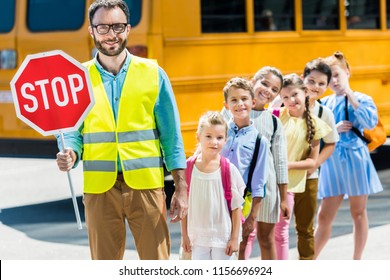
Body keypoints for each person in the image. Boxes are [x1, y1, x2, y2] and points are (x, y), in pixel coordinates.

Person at [55, 0, 188, 260]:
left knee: (156, 264)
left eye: (117, 26)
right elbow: (72, 129)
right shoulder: (78, 76)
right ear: (91, 31)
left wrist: (182, 189)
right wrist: (69, 151)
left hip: (146, 186)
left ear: (128, 29)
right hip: (100, 188)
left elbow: (172, 137)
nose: (111, 35)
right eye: (102, 27)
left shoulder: (153, 74)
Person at [314, 51, 383, 259]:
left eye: (337, 75)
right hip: (332, 160)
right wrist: (334, 128)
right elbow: (315, 132)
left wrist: (350, 96)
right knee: (324, 215)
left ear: (347, 72)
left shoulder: (363, 99)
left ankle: (356, 260)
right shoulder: (324, 104)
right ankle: (308, 259)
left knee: (358, 212)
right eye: (329, 77)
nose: (334, 81)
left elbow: (370, 122)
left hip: (356, 158)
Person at [221, 66, 289, 260]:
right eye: (264, 83)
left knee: (266, 239)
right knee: (240, 239)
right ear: (253, 83)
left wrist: (283, 198)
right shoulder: (231, 113)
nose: (268, 90)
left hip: (266, 190)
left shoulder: (274, 122)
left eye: (274, 89)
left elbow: (281, 162)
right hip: (237, 189)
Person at [274, 73, 331, 260]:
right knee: (277, 232)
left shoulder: (315, 124)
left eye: (295, 94)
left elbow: (312, 162)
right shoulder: (277, 117)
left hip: (301, 182)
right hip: (276, 185)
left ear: (305, 92)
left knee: (304, 230)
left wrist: (285, 165)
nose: (291, 100)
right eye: (285, 97)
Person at [181, 111, 245, 260]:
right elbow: (184, 207)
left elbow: (236, 209)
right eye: (208, 136)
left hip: (223, 238)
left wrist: (234, 238)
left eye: (219, 137)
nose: (214, 142)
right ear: (198, 137)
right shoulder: (188, 168)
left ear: (225, 140)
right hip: (196, 238)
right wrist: (184, 235)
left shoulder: (229, 170)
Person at [293, 59, 339, 260]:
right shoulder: (288, 104)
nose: (316, 87)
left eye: (322, 84)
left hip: (309, 177)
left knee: (305, 229)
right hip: (283, 175)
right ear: (302, 79)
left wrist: (316, 164)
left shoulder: (323, 112)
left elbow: (331, 143)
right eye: (311, 81)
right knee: (277, 228)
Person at [220, 77, 270, 260]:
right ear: (226, 105)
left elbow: (259, 183)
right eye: (234, 100)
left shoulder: (259, 141)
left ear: (253, 102)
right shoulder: (220, 133)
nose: (239, 104)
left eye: (244, 99)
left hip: (238, 204)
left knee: (233, 253)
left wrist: (252, 218)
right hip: (215, 198)